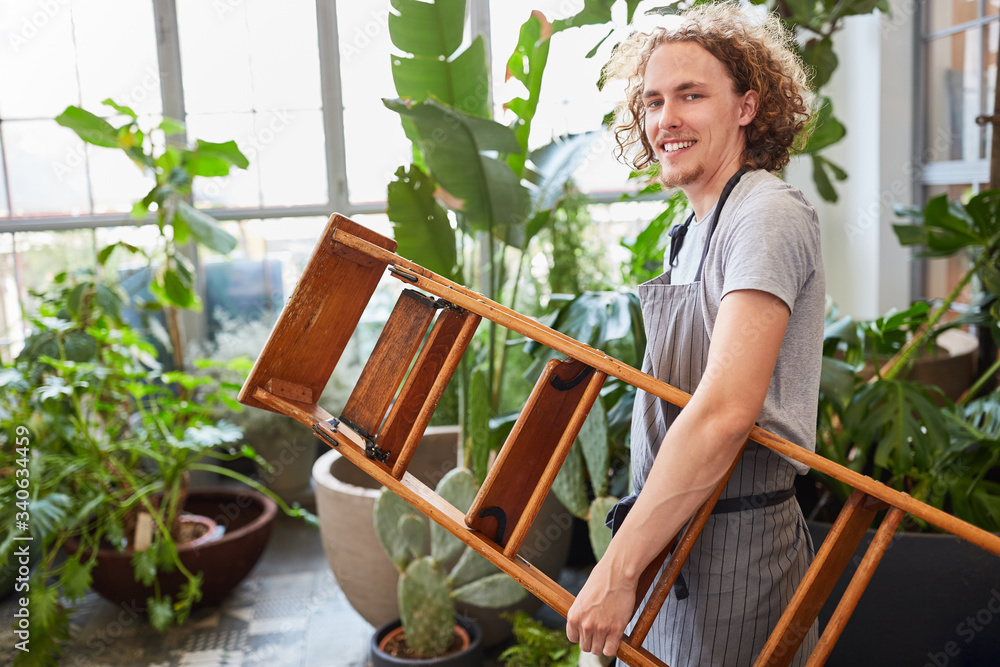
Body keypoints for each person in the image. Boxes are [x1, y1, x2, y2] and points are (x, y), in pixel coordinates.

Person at [565, 4, 824, 666]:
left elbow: (725, 413)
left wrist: (617, 569)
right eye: (652, 101)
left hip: (738, 552)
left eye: (690, 95)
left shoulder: (764, 214)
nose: (664, 120)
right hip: (678, 537)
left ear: (746, 107)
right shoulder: (691, 229)